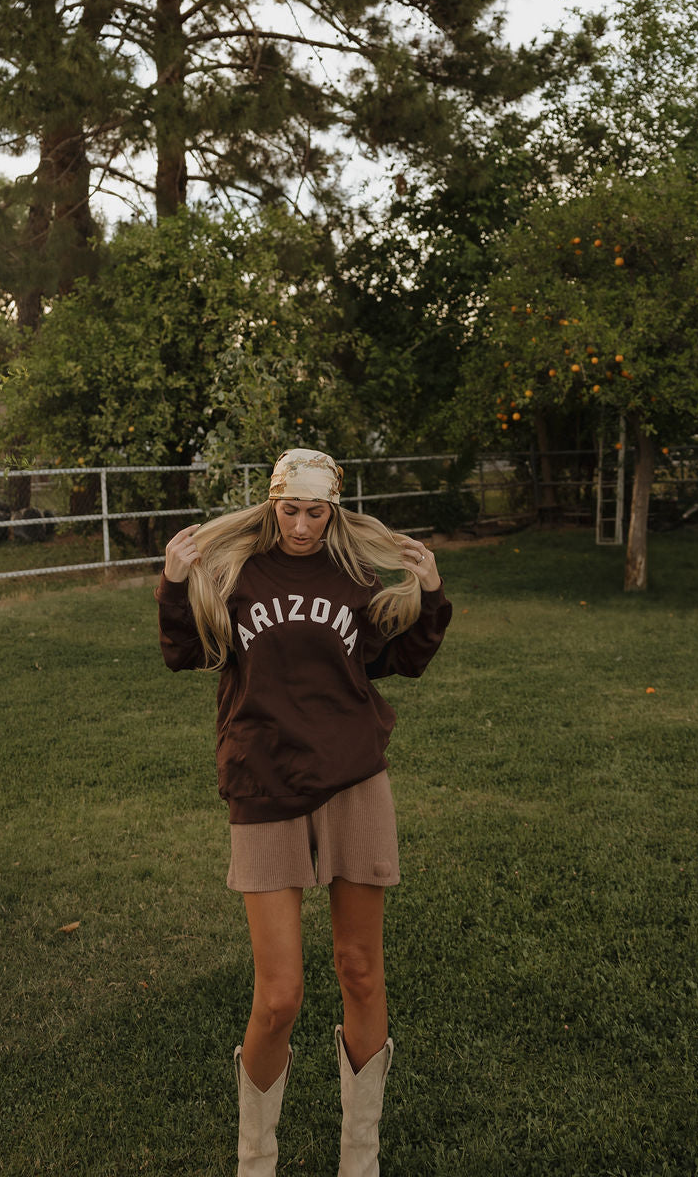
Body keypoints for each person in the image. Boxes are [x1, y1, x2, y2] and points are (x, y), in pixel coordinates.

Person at [155, 448, 452, 1177]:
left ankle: (361, 1158)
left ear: (334, 511)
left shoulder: (353, 579)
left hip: (354, 780)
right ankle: (256, 1160)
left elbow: (395, 661)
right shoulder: (236, 576)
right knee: (279, 994)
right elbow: (182, 652)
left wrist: (430, 593)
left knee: (359, 969)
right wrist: (171, 583)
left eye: (315, 511)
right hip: (263, 780)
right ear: (272, 502)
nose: (300, 523)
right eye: (290, 508)